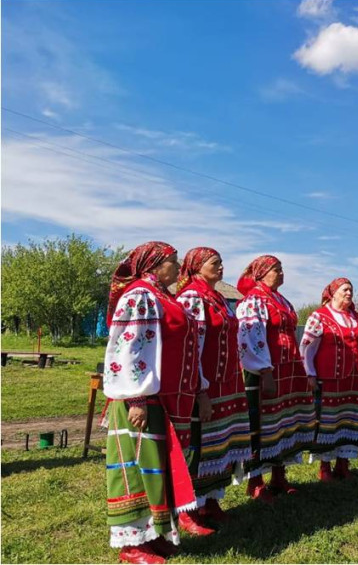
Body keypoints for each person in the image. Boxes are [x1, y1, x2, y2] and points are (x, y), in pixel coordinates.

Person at [102, 241, 199, 564]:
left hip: (161, 397)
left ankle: (154, 535)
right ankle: (132, 546)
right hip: (140, 398)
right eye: (173, 261)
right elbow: (127, 348)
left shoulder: (162, 296)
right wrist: (135, 397)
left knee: (156, 468)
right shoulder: (140, 295)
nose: (178, 265)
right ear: (154, 265)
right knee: (135, 468)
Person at [175, 248, 251, 528]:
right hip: (206, 384)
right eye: (214, 263)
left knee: (221, 444)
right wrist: (200, 390)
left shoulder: (218, 297)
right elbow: (192, 347)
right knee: (201, 445)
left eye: (221, 263)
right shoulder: (192, 298)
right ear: (196, 267)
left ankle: (211, 501)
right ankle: (188, 510)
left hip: (227, 384)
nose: (221, 267)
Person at [236, 255, 317, 501]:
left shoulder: (281, 300)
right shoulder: (253, 302)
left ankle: (279, 476)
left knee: (284, 421)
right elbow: (251, 339)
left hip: (288, 370)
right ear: (261, 273)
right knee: (261, 423)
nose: (281, 273)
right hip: (266, 371)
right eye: (275, 269)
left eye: (282, 269)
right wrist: (265, 371)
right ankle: (256, 482)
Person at [299, 277, 358, 481]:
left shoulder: (357, 318)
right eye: (345, 290)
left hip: (353, 379)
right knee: (328, 422)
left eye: (351, 290)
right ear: (332, 293)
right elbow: (307, 346)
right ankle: (325, 467)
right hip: (329, 378)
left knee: (349, 420)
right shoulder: (319, 316)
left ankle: (343, 464)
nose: (349, 293)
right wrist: (310, 373)